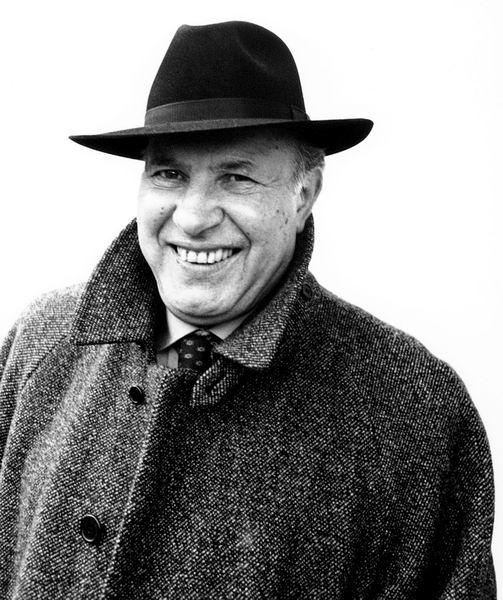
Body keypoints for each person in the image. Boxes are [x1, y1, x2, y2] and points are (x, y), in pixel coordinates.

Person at [0, 20, 495, 600]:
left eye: (235, 177)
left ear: (304, 195)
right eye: (169, 174)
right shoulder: (42, 341)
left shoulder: (415, 411)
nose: (193, 217)